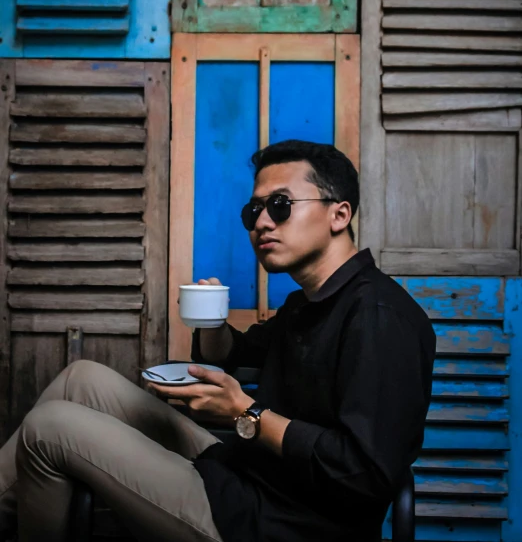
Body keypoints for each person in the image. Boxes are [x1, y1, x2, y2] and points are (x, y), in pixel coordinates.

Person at [0, 140, 435, 542]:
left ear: (339, 215)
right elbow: (236, 357)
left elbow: (364, 474)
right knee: (82, 379)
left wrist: (246, 412)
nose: (261, 223)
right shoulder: (308, 303)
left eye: (280, 206)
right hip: (245, 473)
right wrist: (211, 323)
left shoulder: (381, 318)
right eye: (254, 211)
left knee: (48, 428)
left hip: (280, 521)